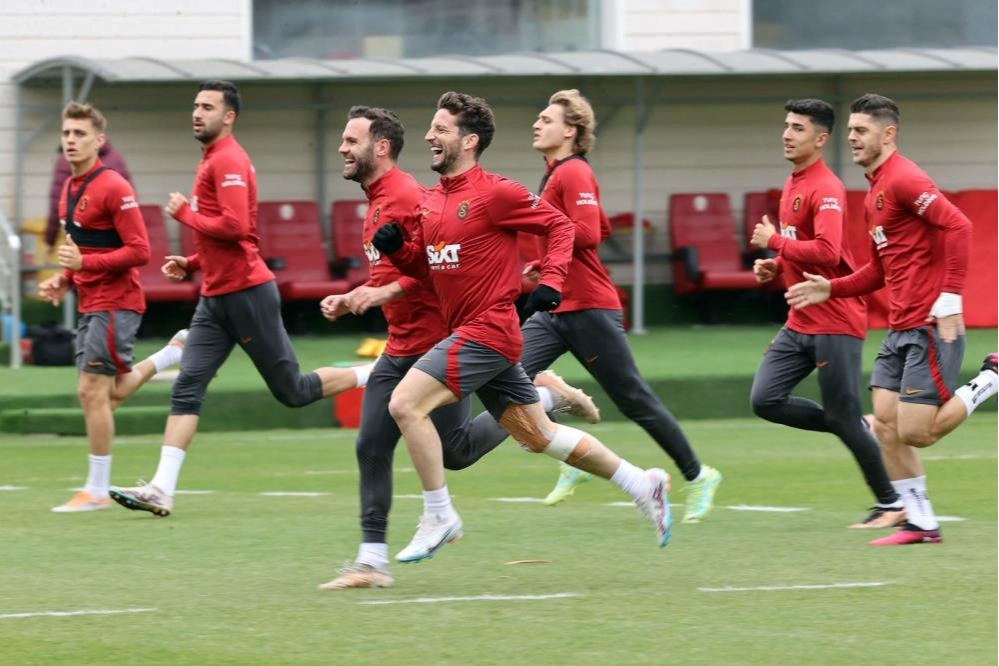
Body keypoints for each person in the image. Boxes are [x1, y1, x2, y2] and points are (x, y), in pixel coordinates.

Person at [372, 91, 673, 564]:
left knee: (405, 404)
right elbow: (429, 270)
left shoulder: (497, 192)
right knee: (538, 436)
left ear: (469, 141)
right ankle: (642, 482)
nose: (429, 135)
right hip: (473, 335)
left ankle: (439, 515)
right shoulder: (430, 201)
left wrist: (551, 280)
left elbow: (563, 227)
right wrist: (399, 252)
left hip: (488, 331)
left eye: (441, 129)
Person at [317, 106, 598, 590]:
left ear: (380, 147)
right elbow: (416, 262)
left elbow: (435, 269)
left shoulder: (409, 195)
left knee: (457, 450)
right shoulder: (379, 199)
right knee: (374, 445)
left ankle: (542, 398)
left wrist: (382, 293)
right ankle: (371, 563)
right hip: (402, 343)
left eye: (350, 140)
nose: (341, 148)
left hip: (436, 341)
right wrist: (360, 294)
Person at [108, 81, 372, 517]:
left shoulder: (228, 159)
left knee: (293, 391)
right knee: (187, 388)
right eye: (196, 105)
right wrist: (193, 263)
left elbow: (236, 227)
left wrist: (186, 215)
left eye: (208, 107)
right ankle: (160, 489)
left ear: (229, 117)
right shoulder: (212, 158)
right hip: (215, 298)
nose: (198, 113)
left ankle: (377, 371)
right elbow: (227, 237)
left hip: (247, 295)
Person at [465, 89, 723, 521]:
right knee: (506, 379)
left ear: (571, 131)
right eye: (538, 118)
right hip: (554, 310)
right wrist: (546, 263)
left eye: (547, 119)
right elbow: (597, 224)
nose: (537, 124)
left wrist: (550, 254)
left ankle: (699, 476)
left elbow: (586, 232)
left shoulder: (574, 172)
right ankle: (572, 455)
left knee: (633, 398)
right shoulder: (554, 176)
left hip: (588, 307)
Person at [786, 93, 997, 545]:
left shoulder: (904, 178)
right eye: (850, 131)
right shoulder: (874, 192)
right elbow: (878, 272)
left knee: (917, 433)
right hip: (899, 327)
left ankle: (991, 379)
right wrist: (830, 288)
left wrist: (950, 296)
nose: (852, 138)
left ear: (888, 134)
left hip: (929, 324)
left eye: (861, 131)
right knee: (884, 424)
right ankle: (921, 523)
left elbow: (959, 225)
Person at [748, 98, 902, 528]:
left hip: (836, 319)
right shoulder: (793, 182)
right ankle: (852, 425)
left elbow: (829, 252)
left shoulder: (826, 188)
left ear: (820, 139)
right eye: (786, 125)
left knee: (841, 415)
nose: (786, 134)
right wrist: (776, 264)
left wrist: (775, 242)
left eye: (797, 128)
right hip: (800, 319)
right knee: (765, 400)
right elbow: (804, 246)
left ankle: (891, 503)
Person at [40, 102, 187, 513]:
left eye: (80, 134)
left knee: (91, 392)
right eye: (66, 133)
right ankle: (170, 354)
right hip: (91, 301)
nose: (71, 140)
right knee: (106, 395)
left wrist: (83, 266)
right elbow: (82, 251)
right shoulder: (69, 190)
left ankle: (96, 490)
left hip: (116, 301)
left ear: (99, 141)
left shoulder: (114, 186)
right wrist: (64, 278)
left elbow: (140, 251)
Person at [45, 138, 133, 248]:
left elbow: (57, 203)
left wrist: (50, 239)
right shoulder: (116, 158)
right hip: (117, 234)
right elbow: (130, 200)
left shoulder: (66, 160)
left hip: (85, 236)